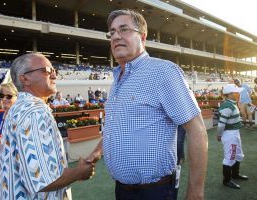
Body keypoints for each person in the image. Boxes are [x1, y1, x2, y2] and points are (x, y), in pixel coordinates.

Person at [87, 9, 208, 200]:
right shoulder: (119, 77)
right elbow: (116, 126)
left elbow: (197, 130)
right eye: (112, 32)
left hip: (154, 191)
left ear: (142, 37)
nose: (116, 36)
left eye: (124, 29)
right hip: (123, 189)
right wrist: (96, 152)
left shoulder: (163, 71)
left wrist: (195, 192)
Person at [0, 53, 94, 199]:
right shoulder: (34, 112)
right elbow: (42, 181)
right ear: (25, 78)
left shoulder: (20, 107)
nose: (54, 75)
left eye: (54, 71)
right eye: (47, 71)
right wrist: (81, 171)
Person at [0, 72, 18, 200]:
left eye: (9, 96)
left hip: (16, 174)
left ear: (17, 97)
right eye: (1, 95)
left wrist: (4, 144)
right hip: (0, 172)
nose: (4, 99)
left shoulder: (20, 118)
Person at [217, 84, 248, 189]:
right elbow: (221, 124)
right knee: (230, 157)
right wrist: (219, 135)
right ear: (230, 94)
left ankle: (235, 175)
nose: (238, 93)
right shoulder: (228, 106)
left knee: (238, 154)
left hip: (234, 133)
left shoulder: (232, 104)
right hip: (230, 134)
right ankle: (227, 180)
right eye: (236, 92)